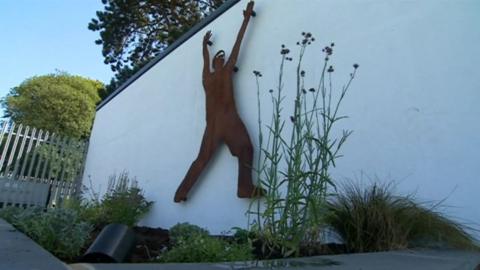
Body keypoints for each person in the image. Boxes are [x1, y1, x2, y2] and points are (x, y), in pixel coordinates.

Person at [174, 1, 263, 203]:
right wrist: (246, 18)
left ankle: (181, 192)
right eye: (221, 56)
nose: (222, 57)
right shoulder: (225, 71)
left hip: (213, 125)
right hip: (230, 120)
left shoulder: (207, 77)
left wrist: (204, 46)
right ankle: (245, 187)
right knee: (246, 150)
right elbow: (237, 44)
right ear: (220, 62)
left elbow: (206, 60)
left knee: (203, 159)